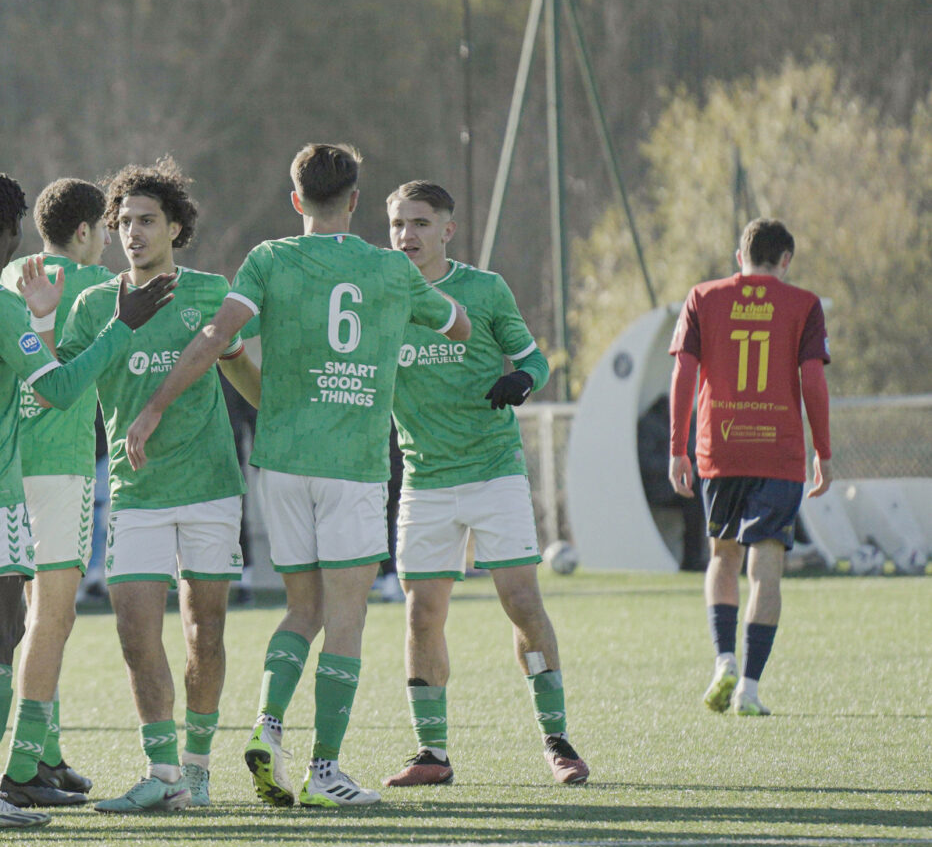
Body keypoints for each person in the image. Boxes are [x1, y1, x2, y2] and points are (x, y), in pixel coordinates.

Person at [125, 143, 470, 808]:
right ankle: (325, 770)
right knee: (344, 618)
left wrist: (153, 409)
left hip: (280, 462)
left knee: (301, 609)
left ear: (295, 201)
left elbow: (215, 338)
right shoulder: (389, 268)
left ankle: (266, 725)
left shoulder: (267, 260)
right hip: (351, 466)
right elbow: (457, 326)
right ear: (355, 202)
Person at [0, 171, 174, 830]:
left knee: (1, 626)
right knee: (32, 623)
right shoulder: (70, 290)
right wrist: (124, 324)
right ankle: (4, 774)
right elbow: (60, 385)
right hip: (20, 475)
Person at [63, 159, 261, 812]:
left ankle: (198, 768)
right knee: (134, 632)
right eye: (123, 222)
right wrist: (40, 321)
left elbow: (244, 371)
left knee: (206, 630)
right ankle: (163, 771)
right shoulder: (94, 303)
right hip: (135, 490)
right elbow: (55, 386)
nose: (133, 233)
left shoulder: (209, 291)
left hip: (208, 484)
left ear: (175, 226)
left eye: (147, 221)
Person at [376, 182, 588, 788]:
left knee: (521, 603)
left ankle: (557, 740)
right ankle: (431, 753)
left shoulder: (486, 289)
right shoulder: (382, 295)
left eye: (420, 223)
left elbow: (536, 359)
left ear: (448, 230)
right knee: (422, 616)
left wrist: (522, 379)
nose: (406, 236)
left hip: (494, 472)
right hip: (424, 479)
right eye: (397, 224)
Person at [668, 218, 831, 716]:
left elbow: (684, 372)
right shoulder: (804, 305)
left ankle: (723, 661)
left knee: (723, 556)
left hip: (720, 445)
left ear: (740, 257)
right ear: (786, 260)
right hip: (777, 453)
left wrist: (678, 447)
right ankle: (750, 689)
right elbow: (812, 382)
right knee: (767, 565)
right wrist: (823, 450)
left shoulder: (702, 297)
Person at [0, 178, 116, 805]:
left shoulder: (10, 270)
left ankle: (47, 751)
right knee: (53, 615)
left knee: (26, 616)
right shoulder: (99, 287)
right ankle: (23, 765)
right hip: (60, 466)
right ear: (87, 230)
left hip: (0, 463)